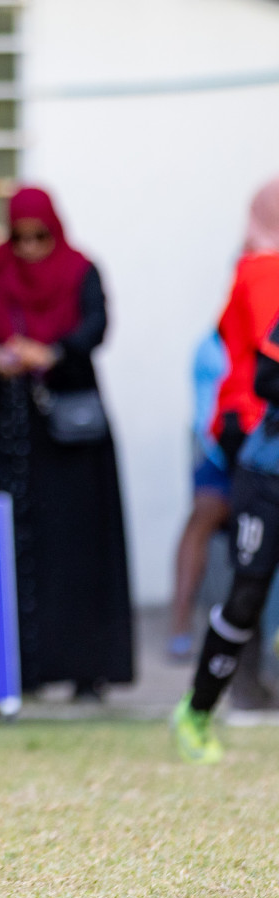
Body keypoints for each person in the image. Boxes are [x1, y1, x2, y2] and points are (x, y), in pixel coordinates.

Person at [0, 185, 134, 701]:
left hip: (71, 431)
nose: (29, 248)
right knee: (14, 542)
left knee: (79, 544)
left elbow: (96, 326)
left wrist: (51, 351)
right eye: (21, 237)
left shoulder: (80, 270)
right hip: (11, 431)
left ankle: (86, 669)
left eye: (40, 237)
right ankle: (20, 669)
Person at [173, 176, 279, 763]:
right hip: (263, 467)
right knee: (245, 595)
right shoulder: (261, 274)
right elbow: (263, 377)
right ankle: (195, 712)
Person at [166, 330, 234, 662]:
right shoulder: (212, 348)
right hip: (225, 456)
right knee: (203, 514)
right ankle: (180, 623)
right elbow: (210, 423)